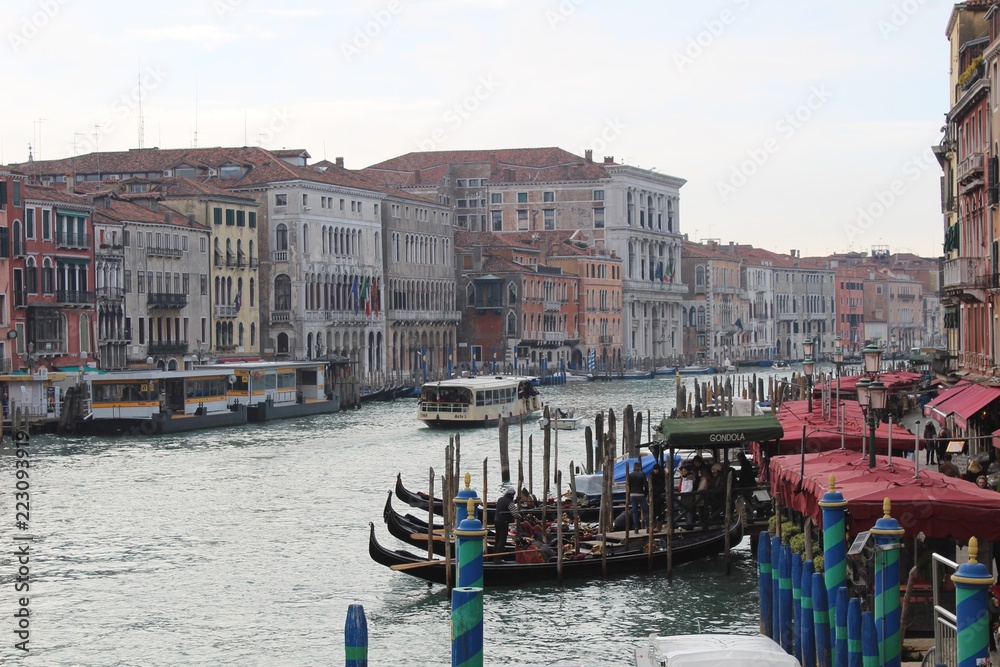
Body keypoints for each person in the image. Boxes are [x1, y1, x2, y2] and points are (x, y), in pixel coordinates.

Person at [492, 485, 520, 553]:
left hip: (496, 521)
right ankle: (498, 556)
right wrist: (521, 517)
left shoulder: (500, 499)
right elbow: (515, 514)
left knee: (497, 539)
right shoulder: (510, 503)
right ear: (512, 495)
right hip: (503, 523)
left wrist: (515, 501)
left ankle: (495, 554)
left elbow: (506, 504)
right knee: (502, 540)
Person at [628, 461, 649, 532]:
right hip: (640, 494)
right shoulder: (642, 474)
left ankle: (636, 528)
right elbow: (646, 485)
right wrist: (645, 494)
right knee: (646, 511)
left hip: (632, 495)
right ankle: (647, 527)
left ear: (634, 467)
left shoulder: (630, 474)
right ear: (639, 467)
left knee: (635, 512)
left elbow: (628, 485)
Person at [649, 463, 667, 532]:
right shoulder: (652, 475)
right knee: (653, 511)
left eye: (656, 469)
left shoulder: (661, 476)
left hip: (659, 496)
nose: (655, 471)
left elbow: (662, 485)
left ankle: (658, 526)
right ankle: (653, 526)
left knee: (659, 511)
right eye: (654, 469)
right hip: (653, 495)